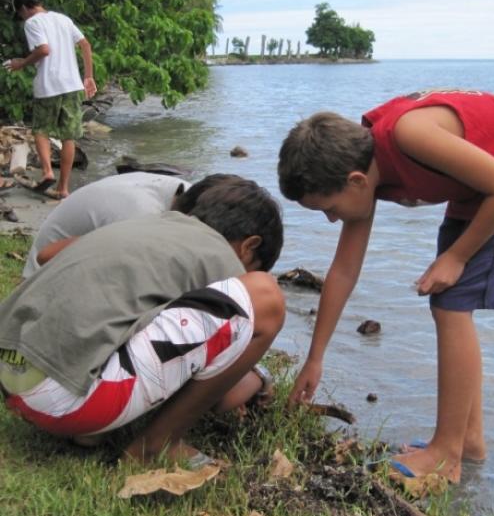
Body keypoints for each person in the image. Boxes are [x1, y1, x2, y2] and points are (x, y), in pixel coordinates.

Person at [277, 88, 494, 485]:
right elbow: (343, 270)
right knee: (448, 302)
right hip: (477, 185)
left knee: (450, 305)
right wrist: (315, 358)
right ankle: (468, 441)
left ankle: (447, 453)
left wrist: (457, 257)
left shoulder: (409, 136)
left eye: (329, 208)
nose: (330, 219)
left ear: (355, 181)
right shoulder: (362, 171)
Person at [0, 179, 285, 465]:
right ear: (249, 247)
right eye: (251, 267)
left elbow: (48, 254)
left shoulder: (150, 224)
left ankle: (92, 429)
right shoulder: (222, 256)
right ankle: (155, 446)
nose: (242, 275)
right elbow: (223, 398)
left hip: (11, 379)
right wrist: (258, 378)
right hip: (59, 401)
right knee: (266, 296)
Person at [22, 171, 242, 278]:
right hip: (44, 279)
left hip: (79, 259)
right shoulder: (142, 217)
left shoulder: (191, 194)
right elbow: (47, 257)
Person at [6, 0, 97, 199]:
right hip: (73, 85)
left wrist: (22, 63)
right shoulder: (62, 19)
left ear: (23, 9)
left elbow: (44, 50)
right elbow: (85, 44)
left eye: (20, 14)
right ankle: (63, 188)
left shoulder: (32, 23)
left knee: (40, 131)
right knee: (68, 136)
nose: (22, 17)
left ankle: (47, 171)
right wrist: (89, 76)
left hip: (49, 85)